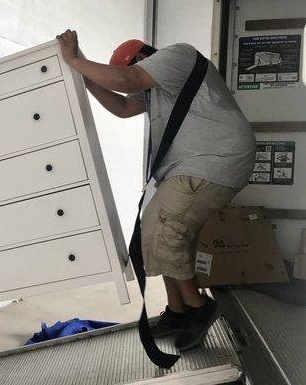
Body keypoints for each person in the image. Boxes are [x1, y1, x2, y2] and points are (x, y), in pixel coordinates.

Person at [56, 30, 255, 351]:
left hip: (217, 159)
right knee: (154, 229)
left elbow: (125, 80)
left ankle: (199, 309)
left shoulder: (178, 55)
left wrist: (75, 59)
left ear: (144, 56)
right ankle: (178, 311)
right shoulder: (160, 87)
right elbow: (122, 107)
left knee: (164, 227)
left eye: (135, 66)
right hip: (191, 165)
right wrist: (87, 78)